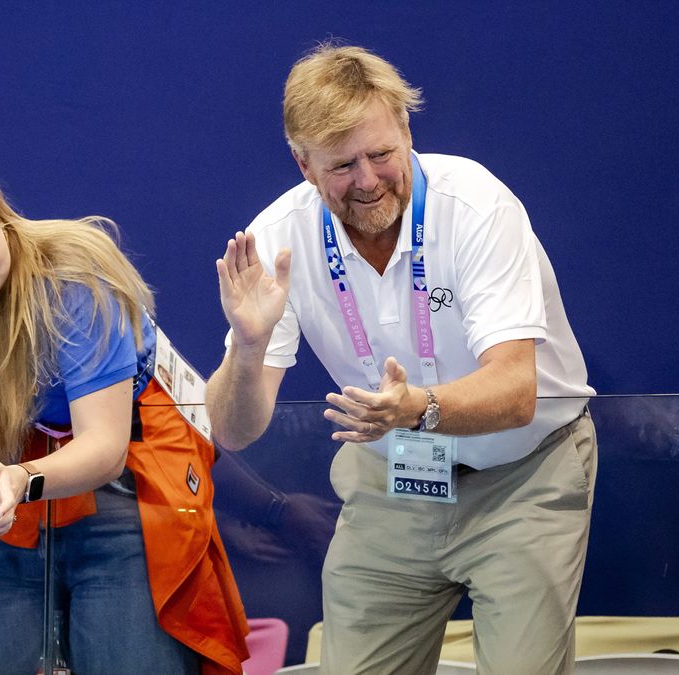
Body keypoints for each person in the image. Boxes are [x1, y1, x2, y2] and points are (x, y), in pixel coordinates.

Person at [206, 44, 597, 674]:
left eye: (381, 154)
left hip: (523, 476)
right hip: (393, 481)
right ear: (302, 163)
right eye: (341, 165)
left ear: (407, 131)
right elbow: (232, 429)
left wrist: (417, 409)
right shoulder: (278, 237)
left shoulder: (475, 207)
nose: (366, 179)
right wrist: (249, 347)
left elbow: (517, 387)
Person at [0, 151, 249, 674]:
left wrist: (22, 479)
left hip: (121, 492)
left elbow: (104, 450)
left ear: (3, 220)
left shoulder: (75, 283)